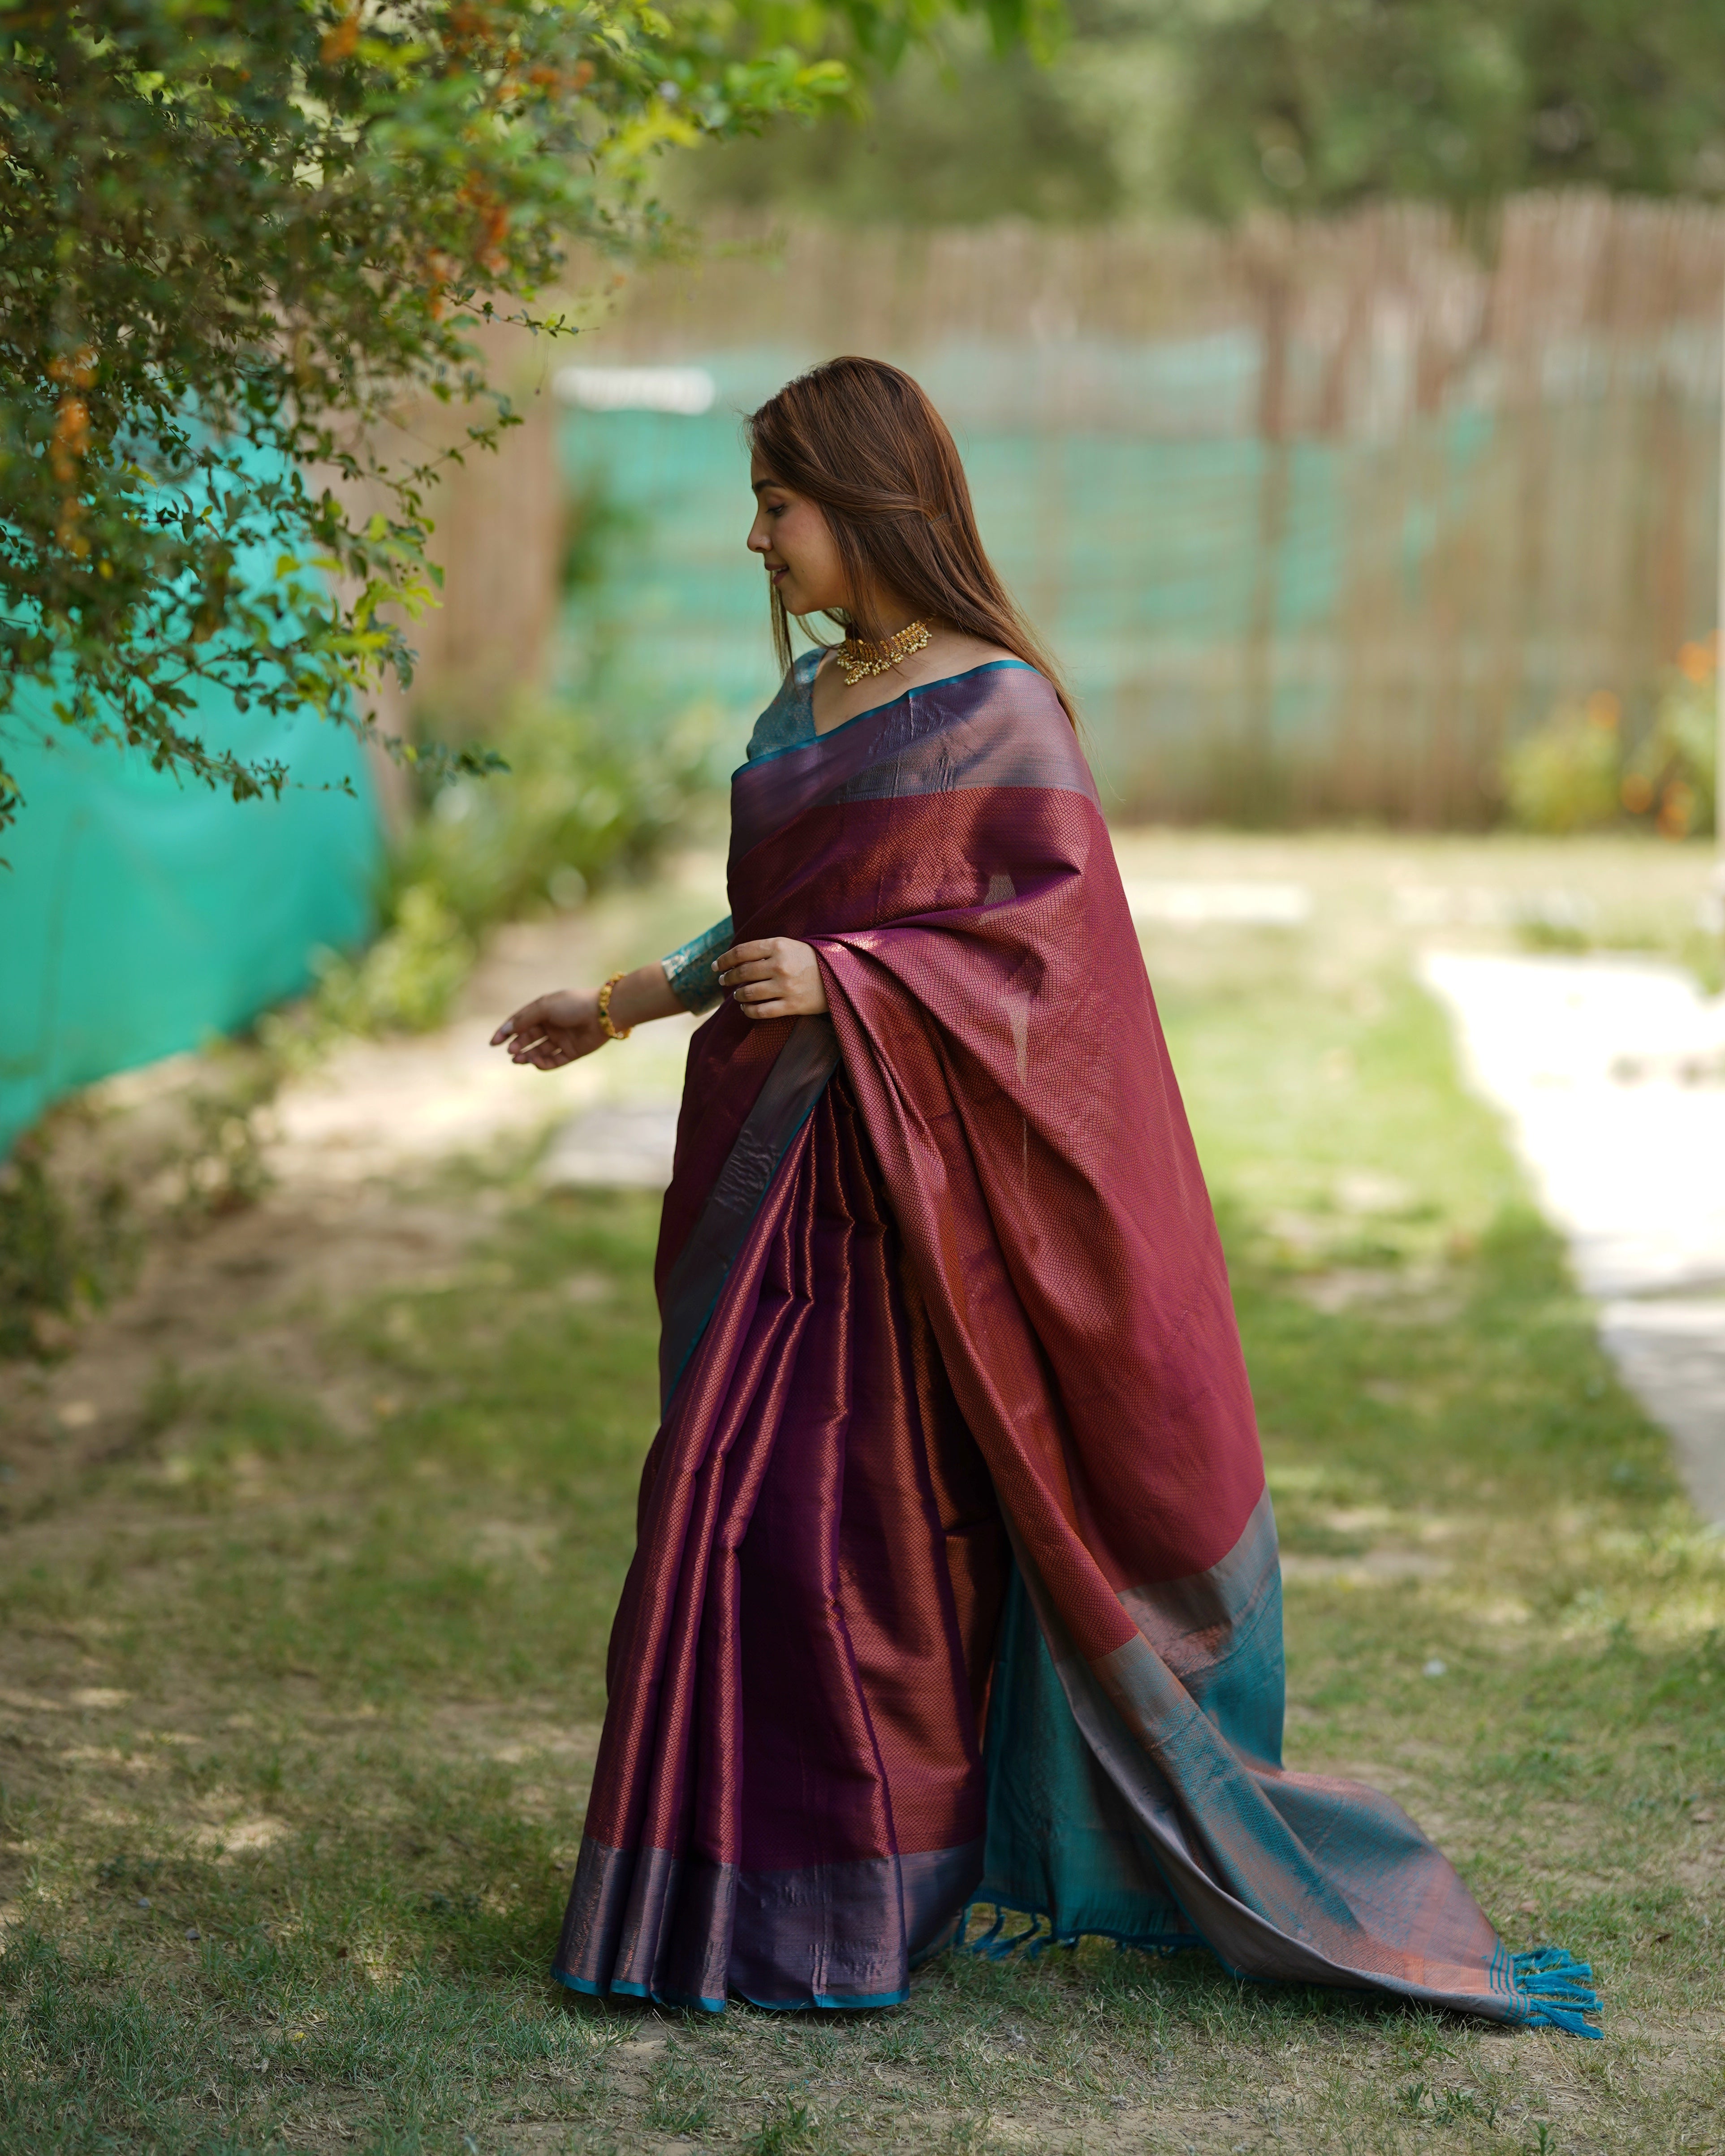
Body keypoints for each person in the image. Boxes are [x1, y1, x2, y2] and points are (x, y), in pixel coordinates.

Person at [490, 356, 1598, 2035]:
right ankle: (695, 1885)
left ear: (859, 502)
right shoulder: (800, 712)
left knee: (831, 1542)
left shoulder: (1000, 705)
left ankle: (847, 1902)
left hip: (913, 1210)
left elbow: (1042, 960)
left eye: (776, 508)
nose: (757, 542)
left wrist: (852, 984)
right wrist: (629, 997)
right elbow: (771, 921)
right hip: (778, 1177)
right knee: (708, 1526)